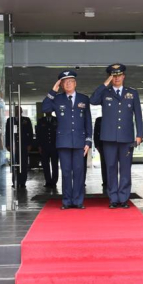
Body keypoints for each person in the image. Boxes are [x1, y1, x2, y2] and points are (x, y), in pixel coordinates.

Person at [90, 64, 143, 209]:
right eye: (114, 75)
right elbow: (92, 100)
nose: (117, 78)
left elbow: (138, 115)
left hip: (127, 138)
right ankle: (113, 198)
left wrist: (139, 134)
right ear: (110, 77)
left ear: (124, 76)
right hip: (108, 138)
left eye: (119, 75)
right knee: (111, 168)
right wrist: (104, 84)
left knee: (125, 169)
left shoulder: (132, 93)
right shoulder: (105, 92)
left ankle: (124, 198)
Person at [42, 70, 92, 209]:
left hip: (79, 142)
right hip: (63, 142)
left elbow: (88, 121)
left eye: (70, 81)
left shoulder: (84, 99)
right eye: (65, 82)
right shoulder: (57, 99)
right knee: (65, 172)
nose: (68, 84)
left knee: (78, 172)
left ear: (75, 83)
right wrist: (53, 90)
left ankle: (78, 201)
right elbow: (45, 107)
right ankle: (67, 201)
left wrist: (88, 141)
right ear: (61, 85)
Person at [5, 106, 33, 189]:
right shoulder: (10, 120)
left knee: (23, 164)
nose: (17, 111)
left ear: (21, 111)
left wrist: (30, 144)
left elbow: (30, 132)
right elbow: (7, 133)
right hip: (14, 145)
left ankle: (22, 182)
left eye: (19, 110)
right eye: (16, 110)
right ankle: (15, 182)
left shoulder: (26, 120)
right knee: (14, 164)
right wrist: (8, 144)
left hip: (24, 145)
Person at [36, 112, 59, 188]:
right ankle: (48, 181)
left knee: (55, 164)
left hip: (54, 146)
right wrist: (39, 146)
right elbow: (38, 134)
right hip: (44, 146)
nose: (48, 111)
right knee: (45, 165)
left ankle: (54, 181)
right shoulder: (41, 121)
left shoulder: (56, 119)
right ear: (45, 111)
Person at [93, 117, 107, 187]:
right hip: (102, 144)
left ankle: (112, 181)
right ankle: (105, 181)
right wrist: (96, 145)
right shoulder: (99, 120)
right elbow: (95, 133)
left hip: (112, 143)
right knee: (104, 163)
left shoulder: (114, 118)